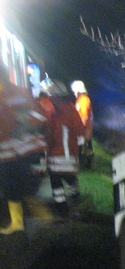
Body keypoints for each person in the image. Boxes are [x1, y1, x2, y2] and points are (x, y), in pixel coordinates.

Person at [0, 66, 49, 235]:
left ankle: (40, 220)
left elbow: (41, 116)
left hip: (23, 151)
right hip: (14, 152)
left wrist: (25, 127)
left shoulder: (19, 93)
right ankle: (24, 222)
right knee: (14, 187)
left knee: (21, 186)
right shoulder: (21, 92)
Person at [42, 80, 85, 216]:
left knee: (56, 181)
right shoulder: (71, 109)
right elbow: (79, 132)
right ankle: (75, 197)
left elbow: (47, 132)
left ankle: (62, 208)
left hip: (56, 154)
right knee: (69, 177)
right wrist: (80, 150)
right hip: (70, 154)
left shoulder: (50, 111)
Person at [70, 80, 94, 169]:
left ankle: (86, 164)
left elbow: (84, 116)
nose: (74, 93)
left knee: (85, 147)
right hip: (84, 128)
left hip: (84, 129)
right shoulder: (81, 99)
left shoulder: (83, 100)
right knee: (85, 147)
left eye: (75, 91)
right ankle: (85, 163)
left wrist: (80, 127)